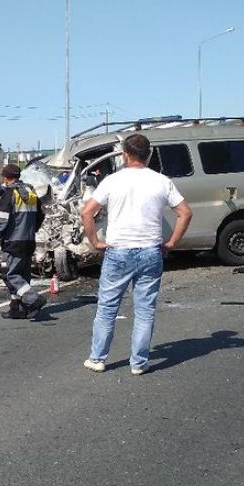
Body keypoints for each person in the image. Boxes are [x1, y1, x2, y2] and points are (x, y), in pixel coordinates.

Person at [79, 133, 192, 375]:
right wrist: (171, 242)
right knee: (144, 309)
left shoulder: (112, 181)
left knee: (107, 308)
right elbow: (185, 212)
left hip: (118, 250)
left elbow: (87, 212)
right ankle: (138, 363)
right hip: (151, 251)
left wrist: (96, 241)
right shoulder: (161, 181)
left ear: (124, 154)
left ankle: (98, 358)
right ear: (149, 154)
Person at [0, 163, 46, 319]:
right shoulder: (30, 192)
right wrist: (31, 231)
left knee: (10, 276)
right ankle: (17, 309)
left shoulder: (8, 194)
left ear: (6, 178)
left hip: (12, 242)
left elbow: (1, 221)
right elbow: (40, 215)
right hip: (29, 241)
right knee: (23, 275)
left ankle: (33, 299)